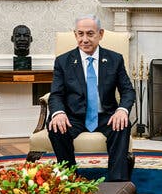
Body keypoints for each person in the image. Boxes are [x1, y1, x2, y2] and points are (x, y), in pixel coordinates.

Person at [47, 15, 135, 181]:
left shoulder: (115, 59)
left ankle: (118, 182)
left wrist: (122, 110)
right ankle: (69, 177)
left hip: (106, 116)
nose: (84, 39)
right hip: (74, 116)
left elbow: (128, 91)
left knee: (122, 125)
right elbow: (56, 94)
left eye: (90, 34)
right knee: (55, 126)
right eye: (80, 34)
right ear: (75, 35)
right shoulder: (63, 61)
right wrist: (58, 112)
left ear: (100, 34)